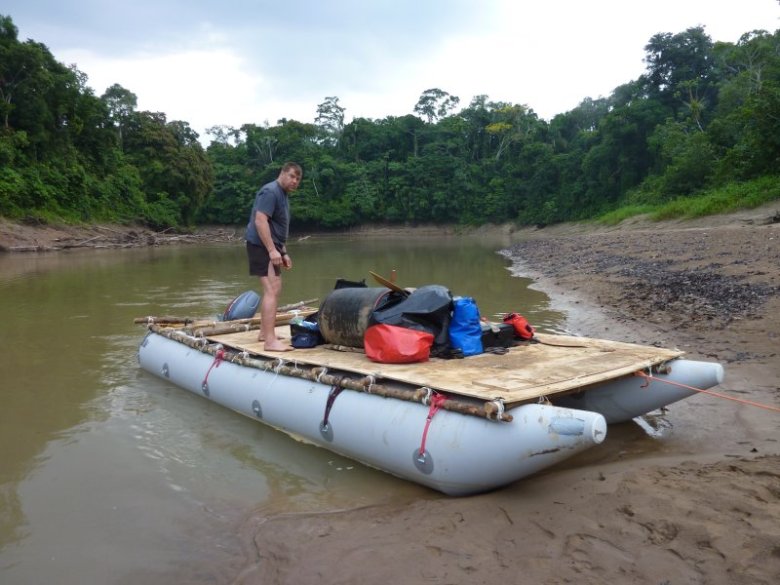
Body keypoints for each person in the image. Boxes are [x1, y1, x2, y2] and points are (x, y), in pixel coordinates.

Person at [245, 162, 302, 351]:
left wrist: (283, 251)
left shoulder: (282, 194)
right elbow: (260, 221)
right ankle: (270, 342)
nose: (295, 181)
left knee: (274, 289)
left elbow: (276, 227)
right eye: (292, 176)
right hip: (261, 246)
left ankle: (264, 333)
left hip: (271, 246)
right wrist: (271, 250)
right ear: (282, 173)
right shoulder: (270, 191)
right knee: (272, 288)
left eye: (298, 179)